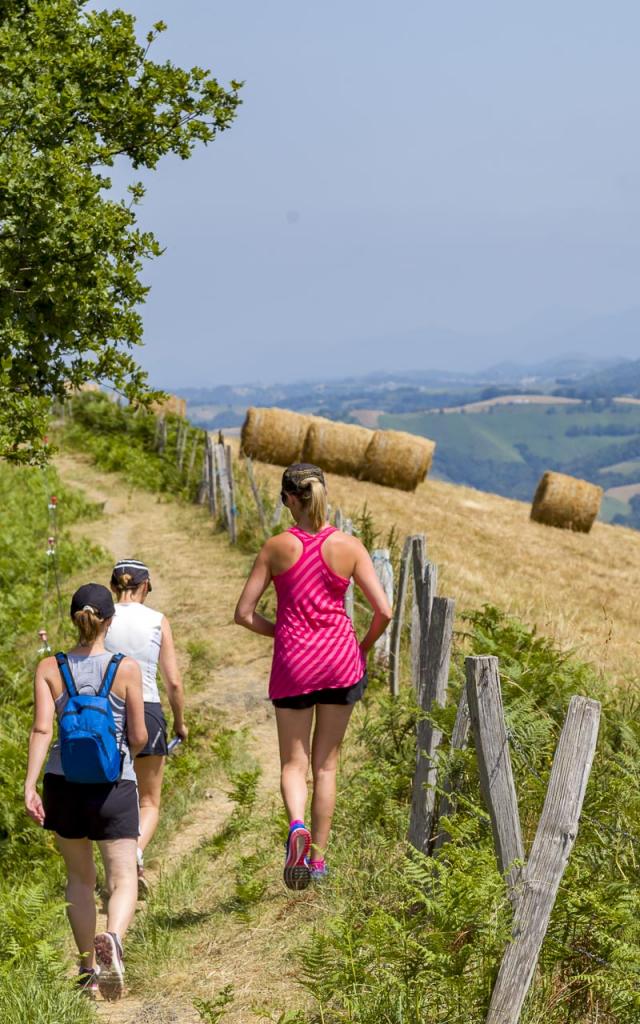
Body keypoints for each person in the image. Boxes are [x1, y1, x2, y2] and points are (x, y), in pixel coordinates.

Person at [234, 463, 392, 890]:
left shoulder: (275, 548)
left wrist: (280, 631)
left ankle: (297, 826)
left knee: (293, 762)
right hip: (341, 662)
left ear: (289, 498)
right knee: (326, 766)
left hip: (294, 665)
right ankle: (318, 862)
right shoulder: (350, 546)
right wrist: (360, 648)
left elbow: (243, 614)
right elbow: (385, 610)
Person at [24, 583, 147, 1001]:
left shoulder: (49, 667)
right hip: (114, 783)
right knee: (123, 877)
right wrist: (134, 753)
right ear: (108, 622)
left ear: (74, 620)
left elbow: (42, 729)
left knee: (79, 879)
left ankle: (86, 968)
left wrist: (30, 785)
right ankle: (112, 937)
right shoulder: (125, 667)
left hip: (63, 783)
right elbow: (139, 734)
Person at [104, 559, 188, 895]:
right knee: (149, 801)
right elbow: (175, 683)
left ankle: (117, 868)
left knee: (110, 792)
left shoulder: (100, 615)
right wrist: (180, 723)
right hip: (149, 709)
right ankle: (134, 855)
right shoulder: (157, 621)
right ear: (145, 586)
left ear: (113, 586)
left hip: (107, 714)